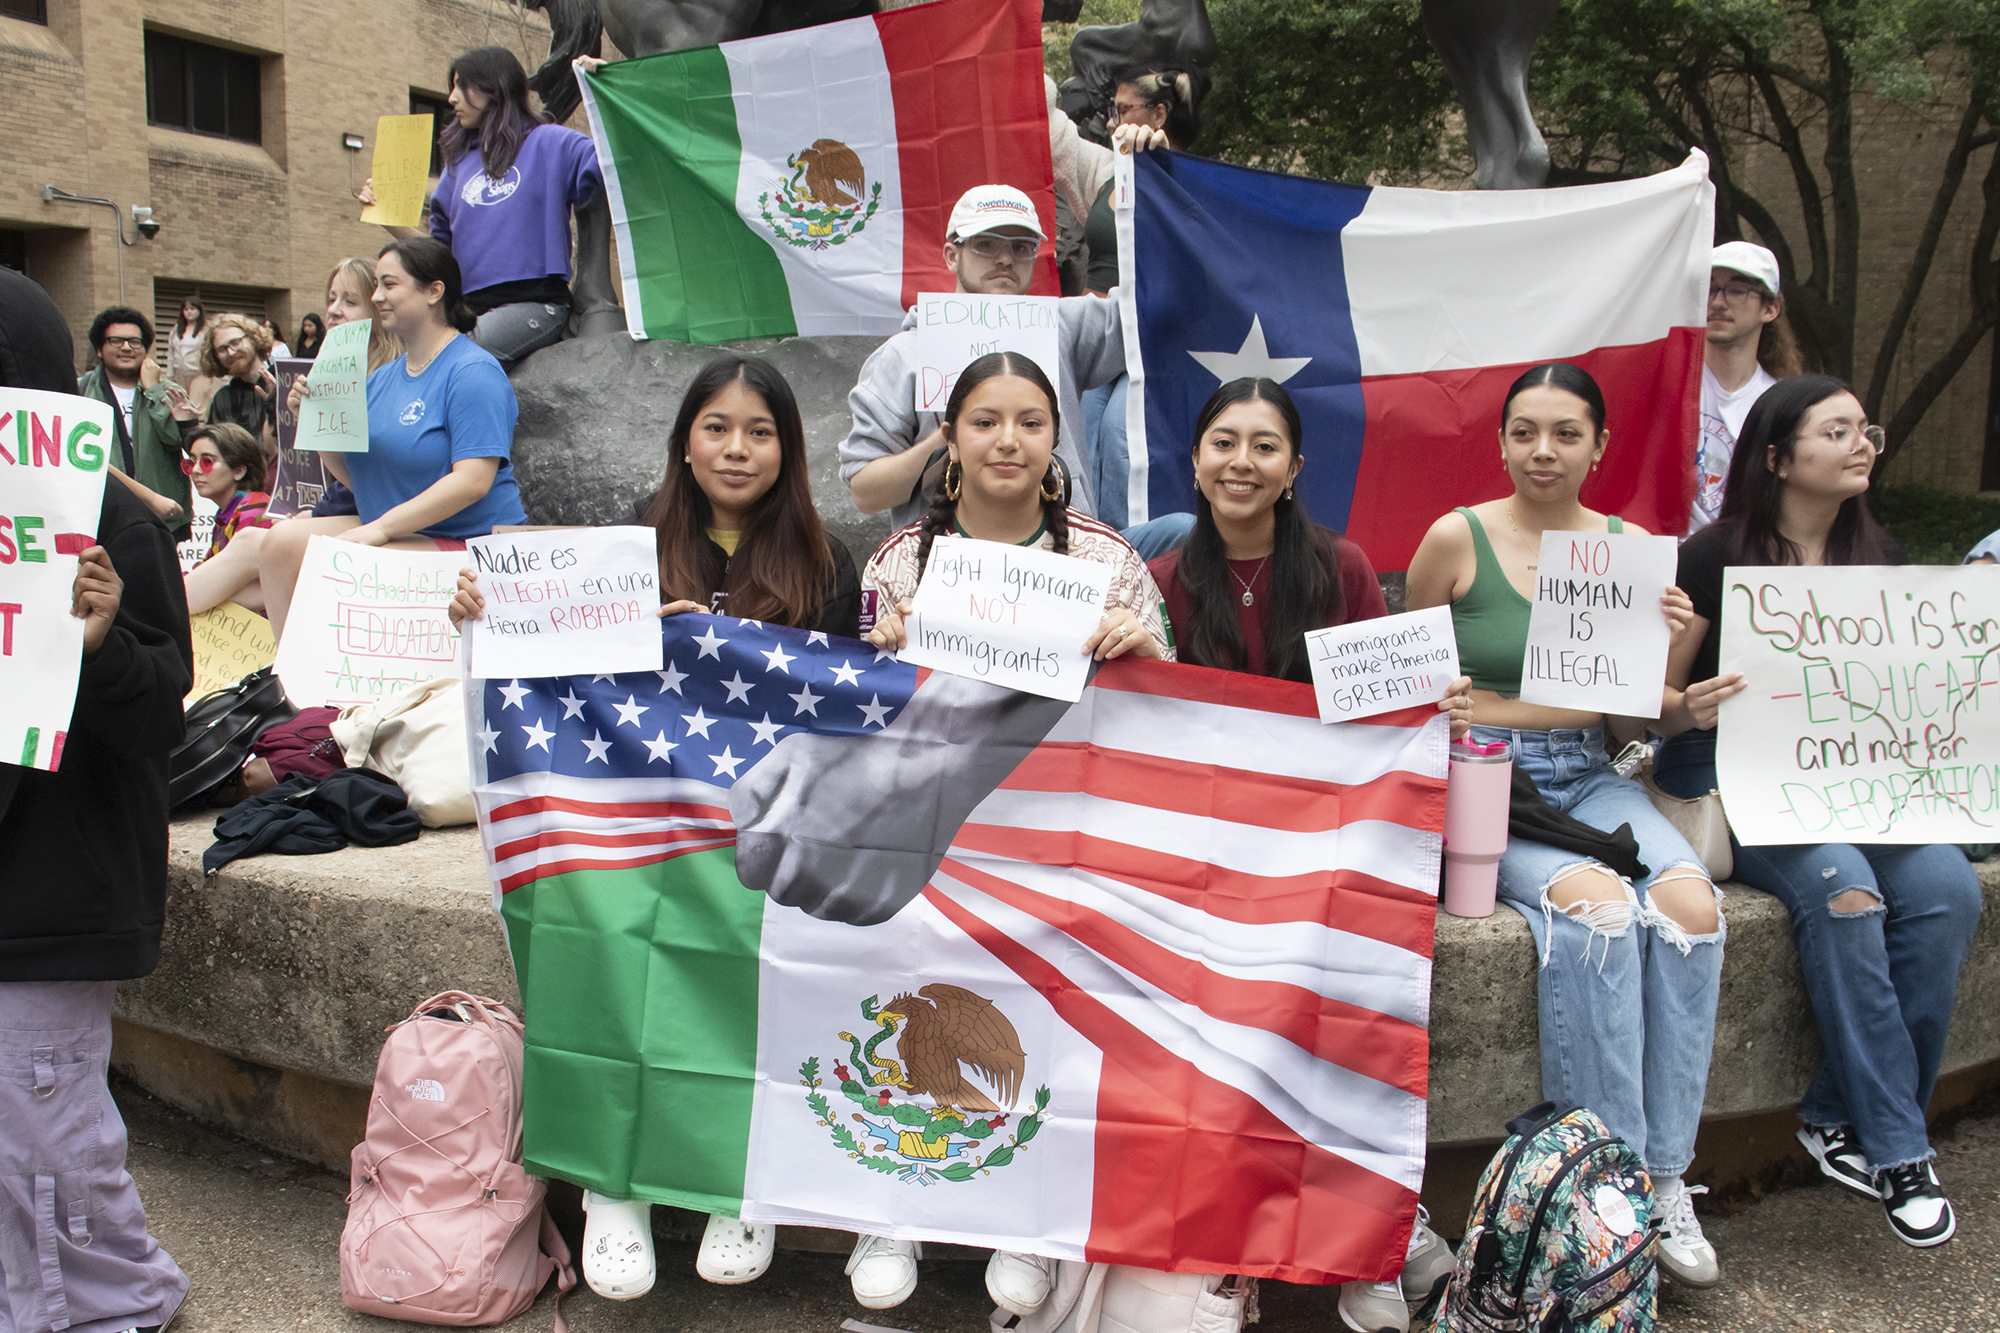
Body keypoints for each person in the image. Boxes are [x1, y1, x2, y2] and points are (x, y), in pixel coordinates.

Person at [449, 354, 859, 1301]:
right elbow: (537, 656)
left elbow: (838, 711)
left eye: (761, 432)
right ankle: (612, 1185)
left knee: (758, 984)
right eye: (717, 426)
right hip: (629, 828)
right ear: (685, 439)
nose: (737, 448)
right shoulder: (622, 543)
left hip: (761, 835)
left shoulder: (827, 560)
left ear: (789, 450)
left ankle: (736, 1185)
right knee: (603, 963)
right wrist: (484, 611)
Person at [1149, 376, 1465, 1333]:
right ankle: (1246, 1248)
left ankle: (1371, 1232)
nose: (1241, 463)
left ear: (1293, 469)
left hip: (1324, 852)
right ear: (1195, 460)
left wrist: (1428, 701)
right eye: (1223, 444)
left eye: (1264, 447)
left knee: (1345, 996)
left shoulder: (1344, 570)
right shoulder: (1162, 581)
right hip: (1206, 859)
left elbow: (1381, 722)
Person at [854, 351, 1166, 1317]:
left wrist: (1143, 649)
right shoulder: (899, 561)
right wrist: (884, 652)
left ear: (1054, 436)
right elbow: (865, 719)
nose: (1009, 440)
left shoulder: (1106, 559)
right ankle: (887, 1206)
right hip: (938, 822)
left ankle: (1025, 1221)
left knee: (1055, 990)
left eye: (1031, 421)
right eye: (985, 420)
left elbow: (1171, 711)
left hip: (1073, 820)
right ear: (949, 436)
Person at [1406, 362, 1726, 1291]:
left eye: (1565, 433)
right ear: (1501, 440)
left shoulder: (1628, 551)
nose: (1543, 450)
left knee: (1692, 910)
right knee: (1598, 915)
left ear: (1600, 446)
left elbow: (1635, 720)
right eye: (1524, 431)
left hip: (1588, 771)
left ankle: (1665, 1177)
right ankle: (1603, 1185)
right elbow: (1400, 671)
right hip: (1489, 774)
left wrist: (1674, 659)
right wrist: (1445, 705)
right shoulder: (1455, 537)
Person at [1655, 375, 1981, 1248]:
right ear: (1777, 456)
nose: (1862, 442)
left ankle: (1838, 1115)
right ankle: (1900, 1151)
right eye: (1836, 431)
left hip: (1854, 781)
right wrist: (1694, 701)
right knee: (1844, 891)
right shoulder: (1709, 554)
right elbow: (1647, 711)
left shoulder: (1883, 559)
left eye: (1864, 428)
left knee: (1951, 887)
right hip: (1735, 776)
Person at [0, 266, 194, 1333]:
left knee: (45, 1128)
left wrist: (104, 642)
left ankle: (115, 1303)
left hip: (56, 889)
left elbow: (163, 711)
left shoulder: (113, 524)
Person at [839, 157, 1193, 561]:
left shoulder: (1060, 325)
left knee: (1187, 533)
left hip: (1071, 560)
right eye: (986, 244)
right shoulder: (902, 357)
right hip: (959, 569)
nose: (1005, 259)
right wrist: (950, 441)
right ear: (952, 255)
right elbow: (865, 492)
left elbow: (1155, 312)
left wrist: (1153, 176)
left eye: (1021, 248)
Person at [262, 236, 526, 640]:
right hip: (403, 532)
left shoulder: (473, 372)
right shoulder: (383, 377)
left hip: (468, 543)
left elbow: (473, 481)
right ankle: (290, 676)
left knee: (348, 560)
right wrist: (314, 420)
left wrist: (381, 528)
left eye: (389, 284)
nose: (377, 296)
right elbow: (357, 476)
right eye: (376, 287)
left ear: (434, 291)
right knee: (280, 543)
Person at [363, 46, 603, 370]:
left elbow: (613, 160)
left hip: (534, 305)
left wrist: (604, 87)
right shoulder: (457, 166)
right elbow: (437, 256)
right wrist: (386, 216)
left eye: (463, 86)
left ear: (495, 87)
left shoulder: (551, 142)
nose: (451, 98)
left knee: (448, 358)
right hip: (467, 311)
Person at [1075, 66, 1205, 533]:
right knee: (1083, 441)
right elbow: (1052, 138)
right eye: (1112, 111)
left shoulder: (1183, 179)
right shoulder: (1103, 170)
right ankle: (1079, 552)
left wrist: (1160, 163)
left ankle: (1125, 559)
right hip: (1094, 339)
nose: (1113, 123)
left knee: (1120, 439)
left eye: (1124, 110)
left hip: (1149, 339)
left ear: (1159, 113)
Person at [1692, 240, 1803, 536]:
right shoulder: (1673, 384)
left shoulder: (1782, 402)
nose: (1717, 302)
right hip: (1667, 564)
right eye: (1710, 287)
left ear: (1769, 309)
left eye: (1737, 290)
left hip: (1746, 564)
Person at [78, 305, 198, 538]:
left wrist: (153, 391)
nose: (126, 347)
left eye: (135, 341)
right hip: (102, 515)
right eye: (116, 340)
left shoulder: (170, 392)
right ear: (99, 349)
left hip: (163, 516)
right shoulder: (80, 391)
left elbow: (175, 441)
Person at [303, 256, 407, 521]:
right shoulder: (331, 372)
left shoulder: (397, 376)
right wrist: (306, 415)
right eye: (331, 299)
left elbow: (370, 479)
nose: (334, 310)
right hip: (342, 501)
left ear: (378, 310)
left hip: (377, 512)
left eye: (350, 302)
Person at [182, 422, 275, 615]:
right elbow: (207, 572)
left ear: (239, 470)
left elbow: (246, 586)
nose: (196, 470)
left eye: (207, 462)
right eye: (191, 463)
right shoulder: (228, 513)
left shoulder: (256, 510)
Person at [200, 313, 280, 453]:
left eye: (235, 342)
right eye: (222, 349)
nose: (230, 352)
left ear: (253, 339)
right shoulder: (223, 400)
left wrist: (277, 403)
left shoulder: (282, 382)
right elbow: (214, 451)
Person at [167, 291, 212, 391]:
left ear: (199, 310)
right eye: (186, 309)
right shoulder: (176, 330)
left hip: (199, 374)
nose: (189, 312)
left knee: (197, 403)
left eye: (192, 308)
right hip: (179, 374)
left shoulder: (206, 329)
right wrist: (170, 376)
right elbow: (171, 354)